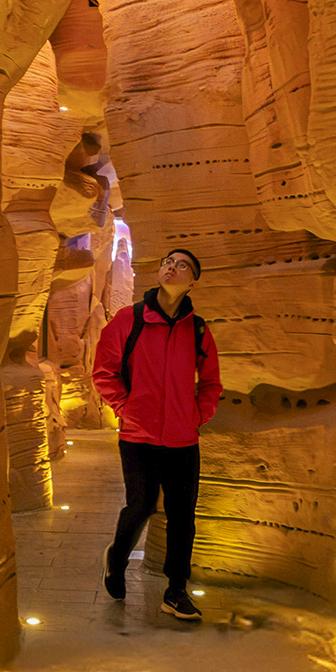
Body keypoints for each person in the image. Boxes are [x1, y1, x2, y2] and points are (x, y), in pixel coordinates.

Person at [92, 245, 222, 621]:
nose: (172, 267)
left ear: (192, 280)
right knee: (142, 505)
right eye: (168, 262)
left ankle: (176, 590)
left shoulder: (197, 329)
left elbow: (211, 382)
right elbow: (104, 371)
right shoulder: (128, 320)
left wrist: (198, 414)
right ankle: (117, 558)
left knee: (183, 515)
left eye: (182, 265)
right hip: (138, 436)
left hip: (183, 438)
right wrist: (125, 408)